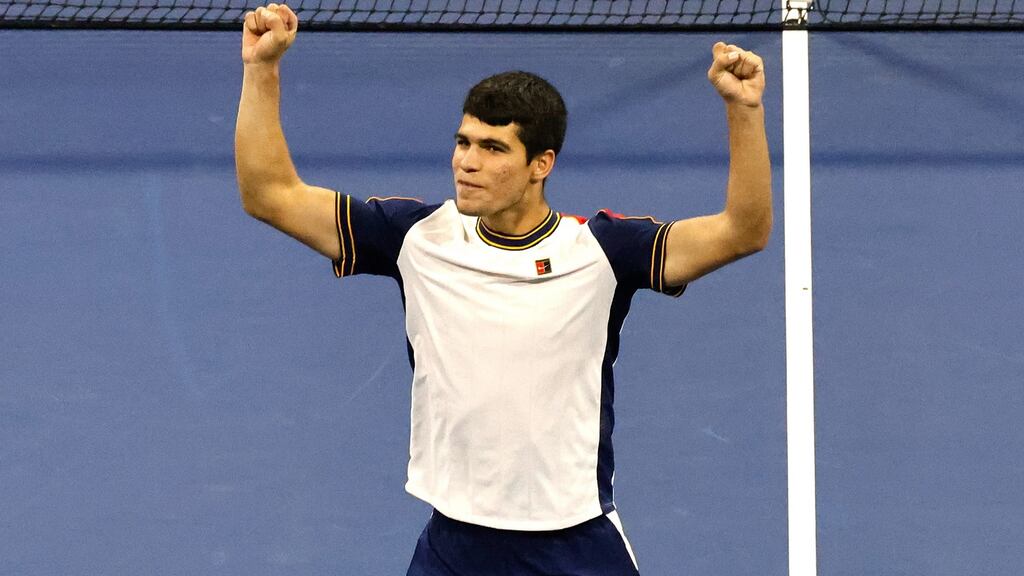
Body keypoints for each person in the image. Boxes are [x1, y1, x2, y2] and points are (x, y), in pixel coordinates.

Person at [235, 4, 771, 575]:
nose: (466, 163)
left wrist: (744, 111)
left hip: (573, 542)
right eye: (464, 142)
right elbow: (270, 194)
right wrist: (261, 68)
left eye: (493, 149)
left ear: (541, 164)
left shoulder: (603, 252)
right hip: (456, 543)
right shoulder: (416, 238)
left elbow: (744, 231)